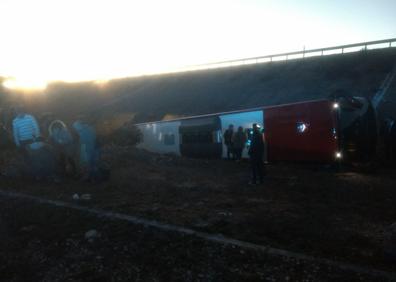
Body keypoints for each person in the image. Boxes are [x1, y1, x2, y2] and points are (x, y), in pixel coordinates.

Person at [72, 117, 100, 181]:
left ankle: (91, 177)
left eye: (75, 128)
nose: (75, 130)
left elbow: (84, 141)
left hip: (90, 148)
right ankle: (94, 177)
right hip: (94, 148)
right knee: (94, 163)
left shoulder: (82, 130)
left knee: (89, 163)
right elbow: (95, 137)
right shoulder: (89, 128)